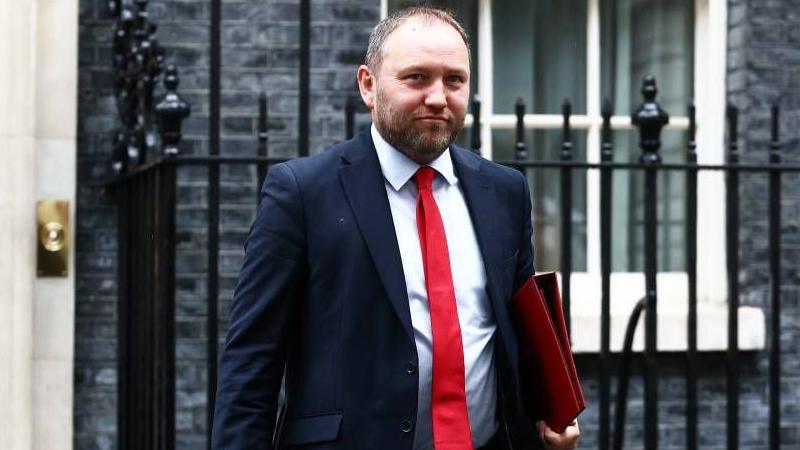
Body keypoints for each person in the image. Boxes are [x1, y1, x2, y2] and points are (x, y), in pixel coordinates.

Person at [212, 6, 580, 450]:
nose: (438, 97)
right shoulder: (302, 192)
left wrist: (550, 417)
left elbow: (521, 336)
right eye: (417, 78)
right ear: (368, 85)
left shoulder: (505, 191)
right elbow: (252, 362)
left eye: (454, 80)